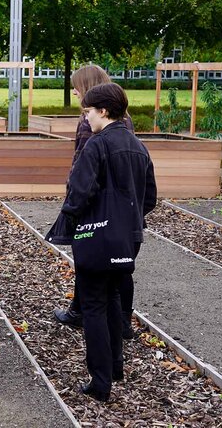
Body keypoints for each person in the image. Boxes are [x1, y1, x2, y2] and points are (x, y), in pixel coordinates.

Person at [46, 83, 156, 401]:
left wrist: (73, 218)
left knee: (93, 305)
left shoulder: (96, 146)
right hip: (128, 238)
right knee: (112, 300)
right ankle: (115, 367)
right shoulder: (138, 146)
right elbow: (149, 197)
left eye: (88, 112)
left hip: (97, 236)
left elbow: (79, 193)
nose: (86, 118)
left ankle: (100, 382)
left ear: (103, 111)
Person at [54, 65, 136, 337]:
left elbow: (83, 164)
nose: (74, 91)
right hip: (124, 204)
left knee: (88, 258)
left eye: (76, 86)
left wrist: (72, 203)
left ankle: (82, 313)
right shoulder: (125, 120)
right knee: (121, 265)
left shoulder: (90, 122)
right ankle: (122, 322)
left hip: (96, 202)